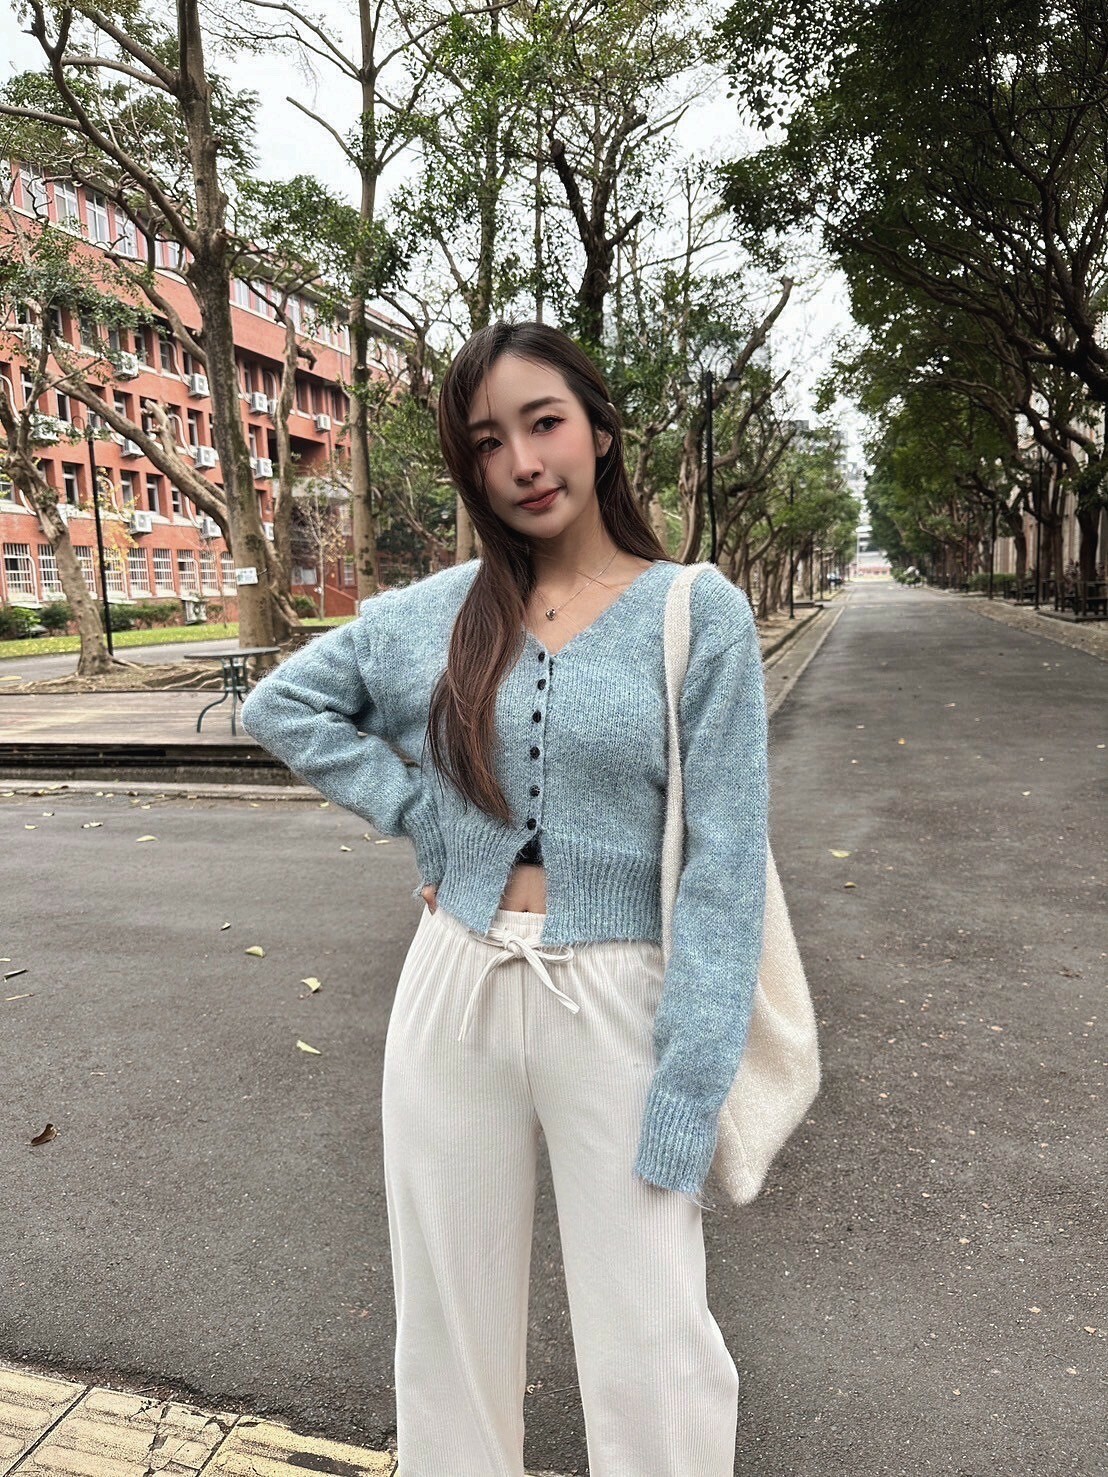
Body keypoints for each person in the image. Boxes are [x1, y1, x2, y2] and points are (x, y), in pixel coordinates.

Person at [240, 321, 769, 1477]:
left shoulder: (695, 612)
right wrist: (420, 813)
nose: (523, 462)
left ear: (599, 431)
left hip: (619, 993)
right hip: (455, 977)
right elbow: (279, 706)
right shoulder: (431, 614)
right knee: (448, 1318)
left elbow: (726, 865)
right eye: (488, 442)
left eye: (544, 423)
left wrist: (691, 1082)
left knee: (652, 1331)